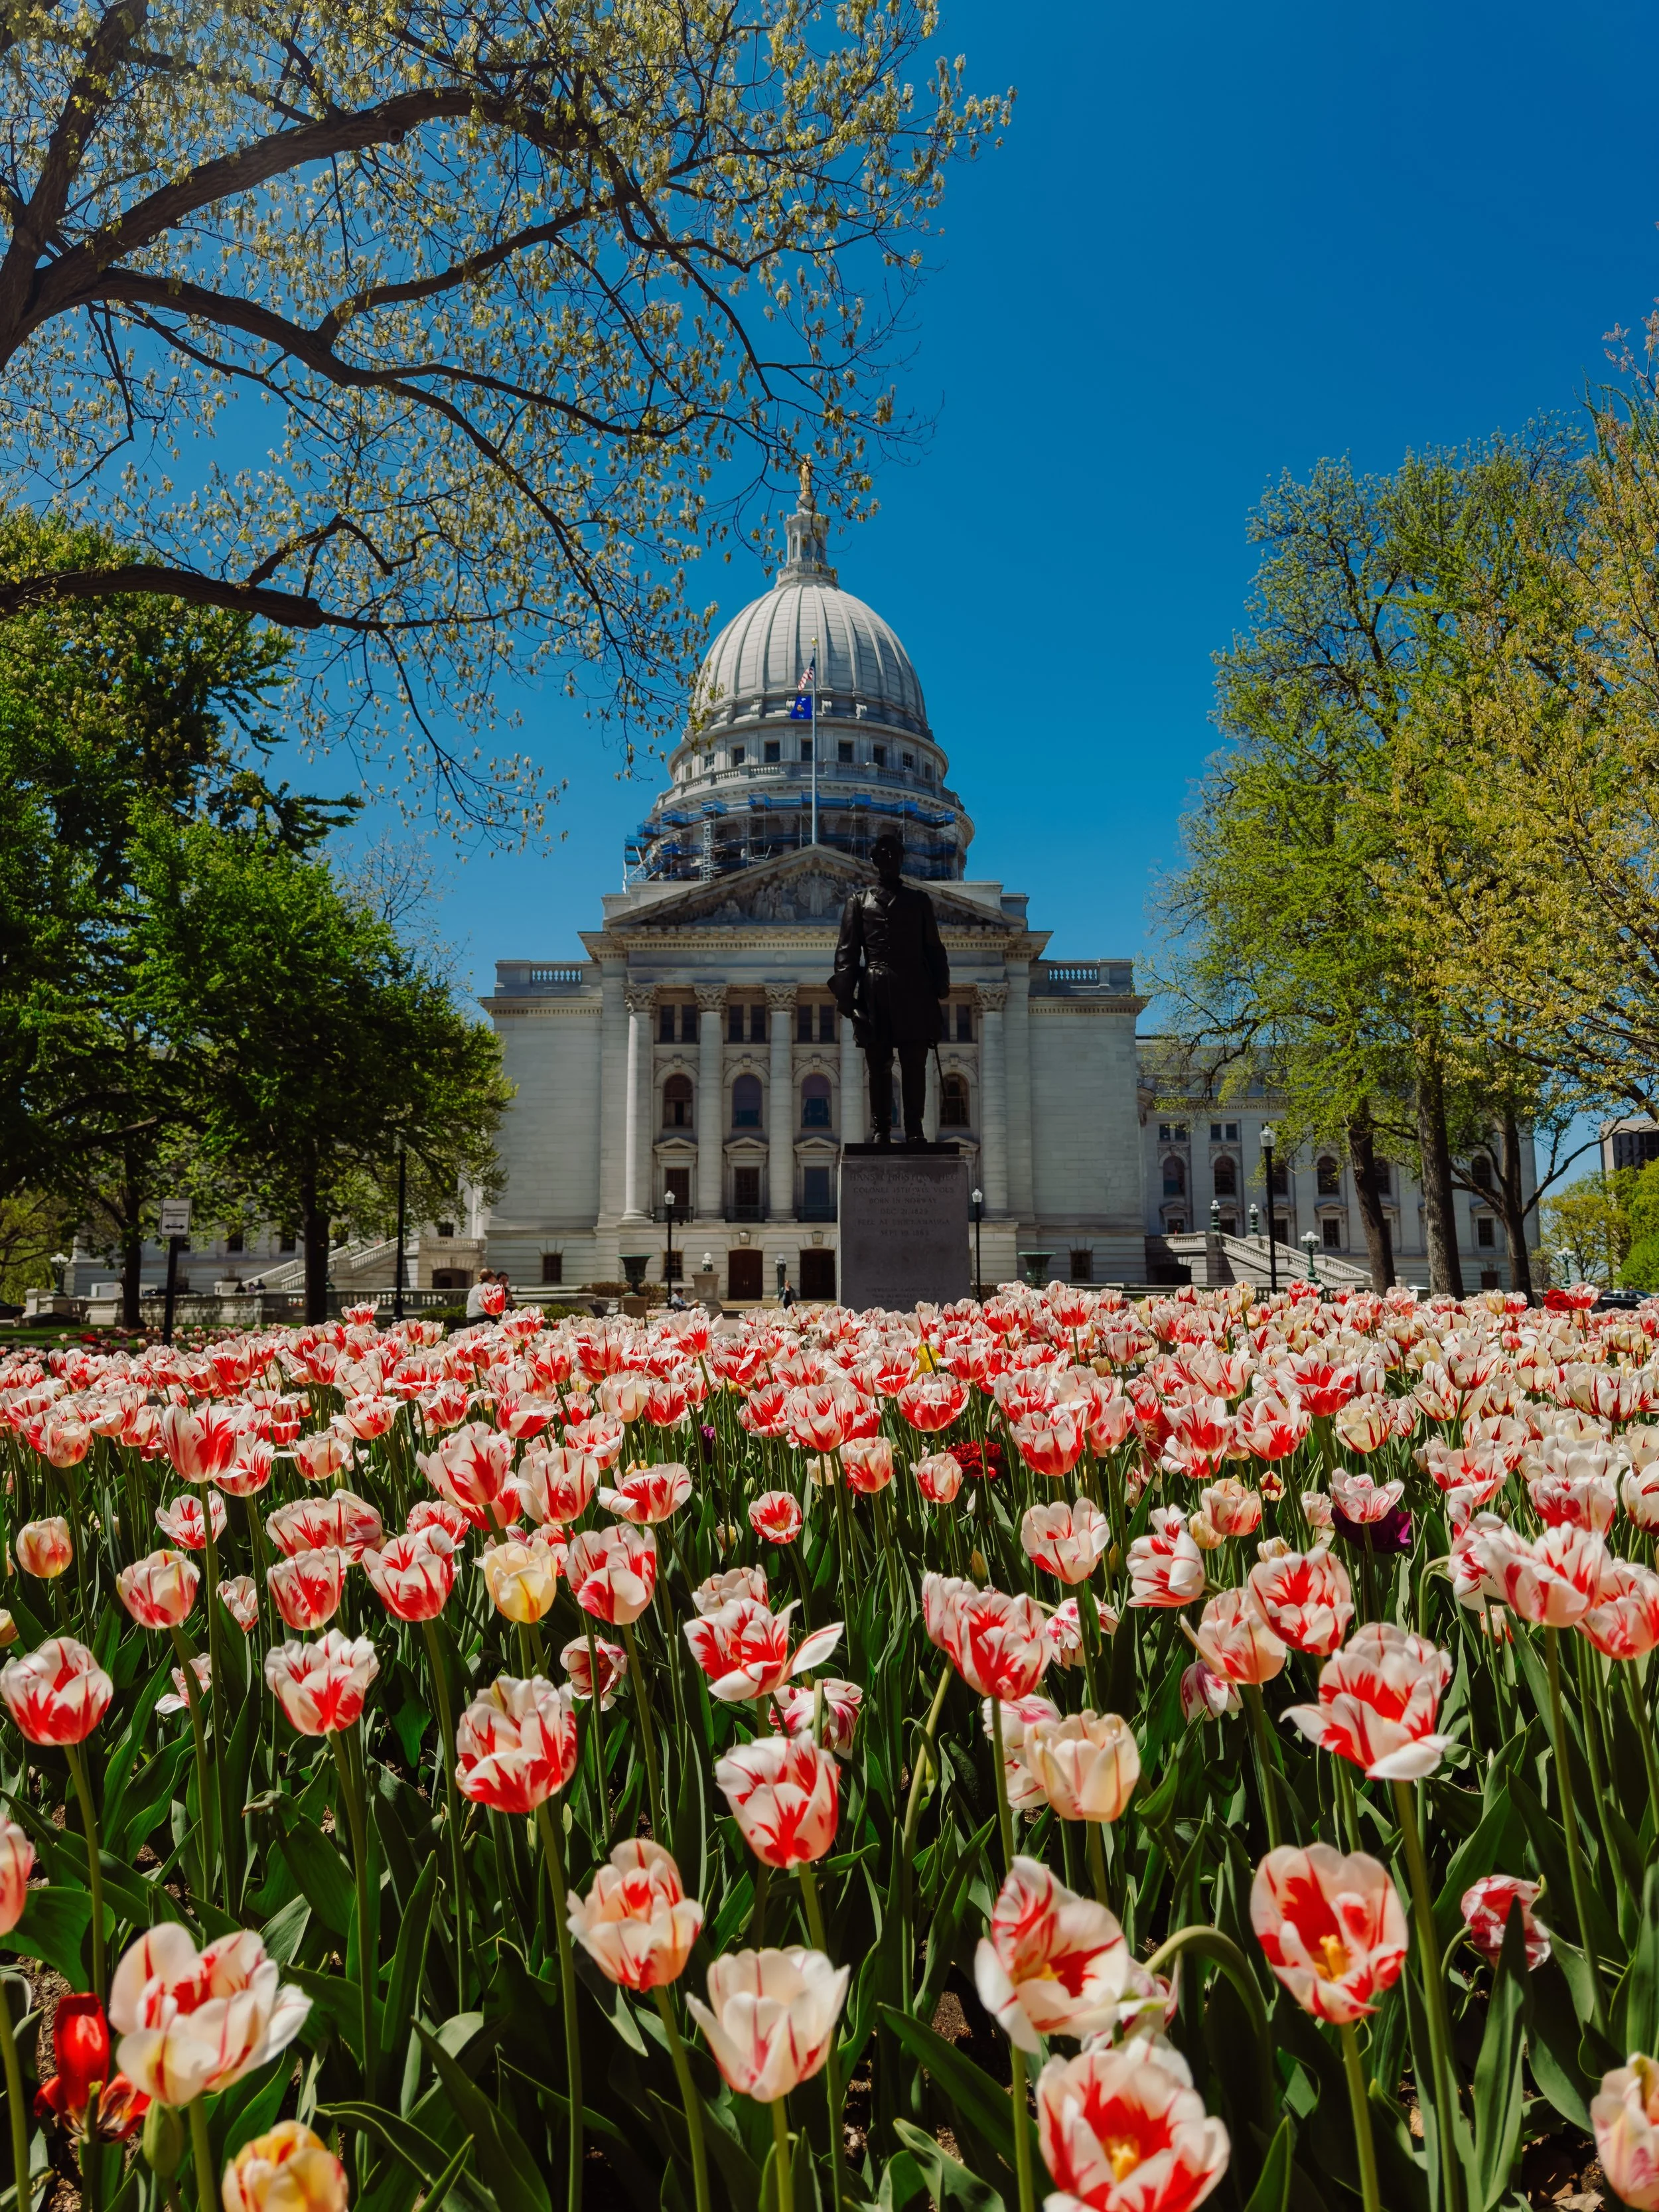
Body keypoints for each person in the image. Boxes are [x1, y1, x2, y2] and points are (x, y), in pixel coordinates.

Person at [830, 830, 949, 1145]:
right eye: (883, 856)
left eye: (894, 856)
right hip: (876, 989)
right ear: (875, 861)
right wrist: (847, 1001)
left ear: (901, 859)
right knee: (879, 1065)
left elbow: (934, 947)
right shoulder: (858, 902)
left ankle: (915, 1130)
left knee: (914, 1065)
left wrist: (941, 984)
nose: (889, 861)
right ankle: (881, 1129)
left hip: (914, 990)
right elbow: (846, 953)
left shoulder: (919, 901)